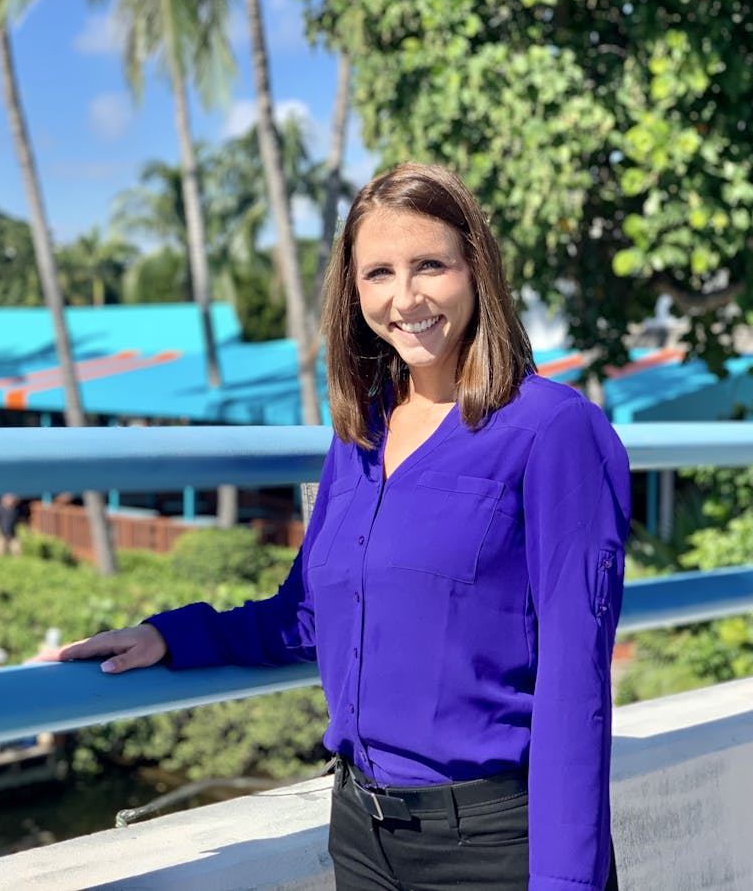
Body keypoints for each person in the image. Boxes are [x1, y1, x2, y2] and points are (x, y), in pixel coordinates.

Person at [44, 163, 630, 891]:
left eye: (430, 266)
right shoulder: (362, 434)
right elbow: (312, 614)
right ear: (353, 293)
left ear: (476, 270)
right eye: (378, 273)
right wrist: (173, 637)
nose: (405, 297)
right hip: (360, 835)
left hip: (492, 845)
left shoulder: (554, 430)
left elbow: (576, 686)